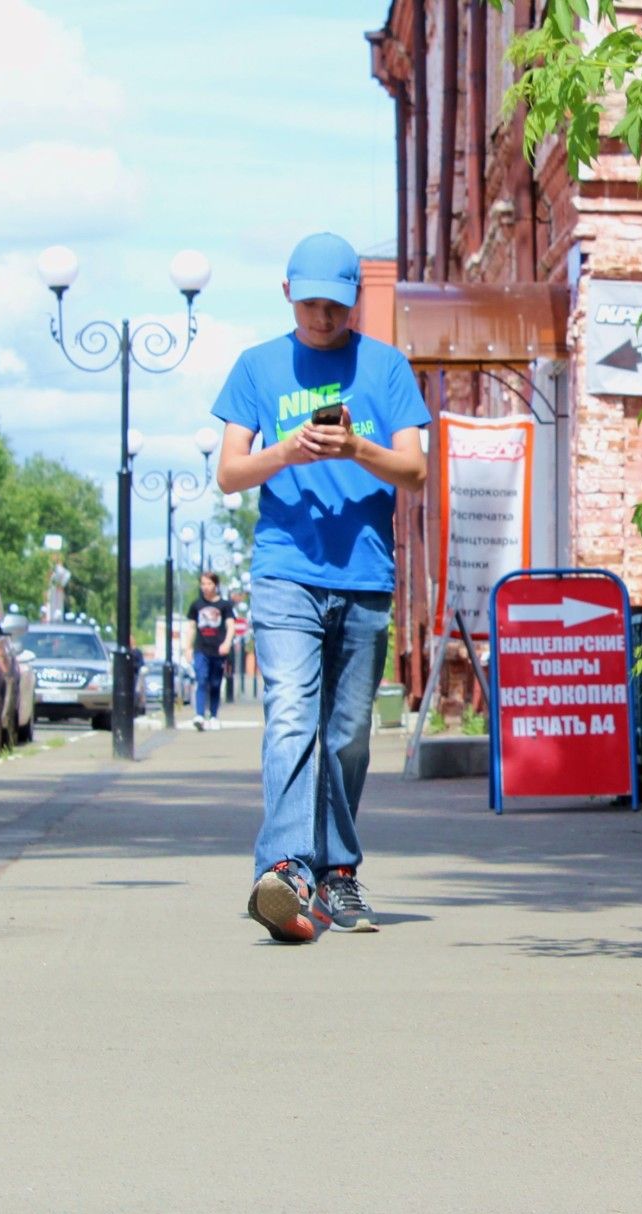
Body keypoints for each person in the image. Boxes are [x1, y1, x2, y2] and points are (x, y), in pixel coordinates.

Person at [212, 232, 429, 943]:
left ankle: (336, 875)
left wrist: (355, 448)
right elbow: (230, 473)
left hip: (363, 574)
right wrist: (289, 449)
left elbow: (414, 470)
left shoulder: (386, 366)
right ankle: (286, 869)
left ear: (354, 301)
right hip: (285, 573)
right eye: (309, 305)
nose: (322, 318)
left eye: (334, 306)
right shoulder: (258, 366)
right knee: (290, 717)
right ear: (287, 295)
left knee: (349, 736)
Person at [182, 571, 234, 730]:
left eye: (209, 584)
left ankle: (213, 715)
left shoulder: (224, 605)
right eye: (203, 584)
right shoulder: (196, 605)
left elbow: (231, 626)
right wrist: (188, 647)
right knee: (201, 679)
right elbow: (191, 627)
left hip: (218, 650)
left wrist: (227, 643)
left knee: (215, 683)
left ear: (215, 585)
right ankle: (199, 715)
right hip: (201, 648)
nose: (206, 587)